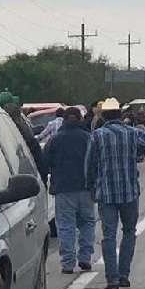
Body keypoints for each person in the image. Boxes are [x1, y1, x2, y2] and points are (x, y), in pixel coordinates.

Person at [85, 98, 145, 289]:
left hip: (106, 193)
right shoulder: (133, 133)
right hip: (130, 192)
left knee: (109, 236)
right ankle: (124, 275)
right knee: (129, 232)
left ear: (104, 116)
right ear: (121, 115)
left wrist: (91, 189)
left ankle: (112, 279)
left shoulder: (97, 136)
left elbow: (89, 166)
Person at [43, 108, 95, 275]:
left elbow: (45, 162)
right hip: (86, 188)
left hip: (63, 189)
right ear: (80, 119)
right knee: (87, 223)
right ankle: (85, 257)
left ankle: (68, 263)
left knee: (65, 226)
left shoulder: (55, 139)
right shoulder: (89, 138)